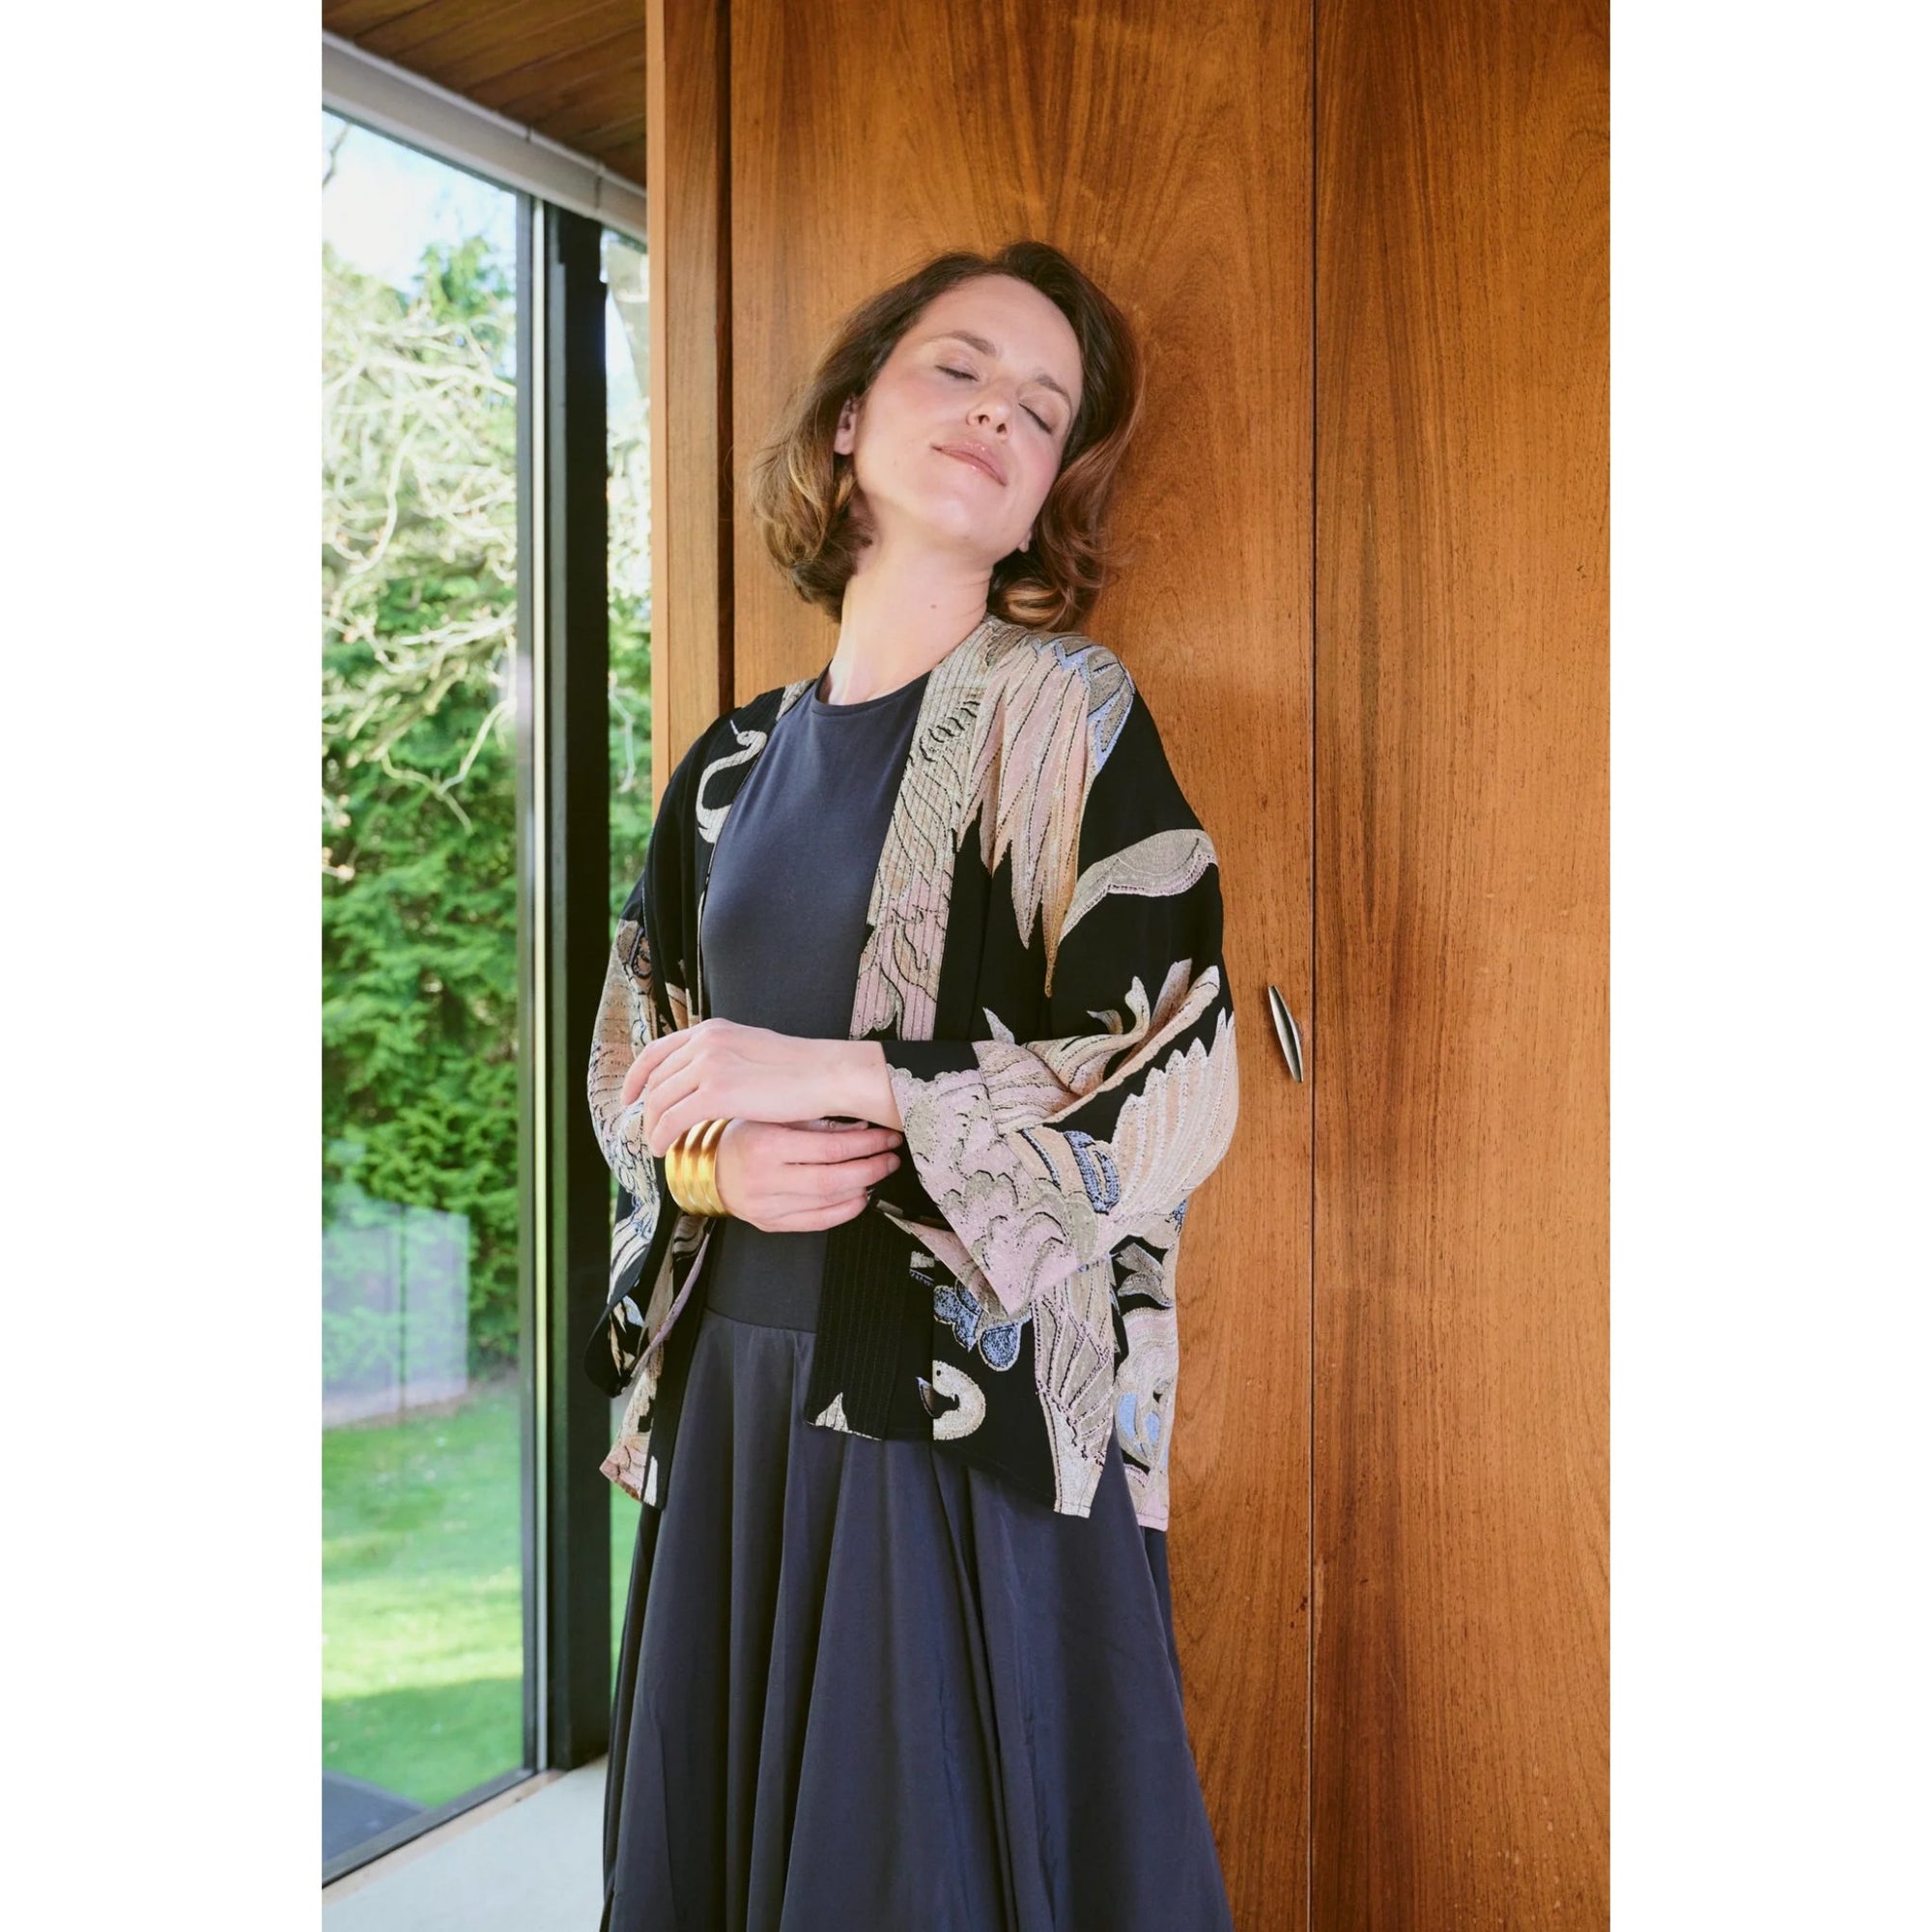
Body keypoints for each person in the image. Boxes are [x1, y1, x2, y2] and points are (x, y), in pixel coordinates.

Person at [587, 240, 1240, 1931]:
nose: (999, 413)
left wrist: (838, 1074)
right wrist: (714, 1170)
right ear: (851, 419)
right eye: (960, 367)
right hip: (740, 1407)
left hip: (950, 1422)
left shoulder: (1069, 716)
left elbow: (1172, 1066)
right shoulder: (728, 767)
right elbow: (633, 1067)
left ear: (1041, 502)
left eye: (1044, 409)